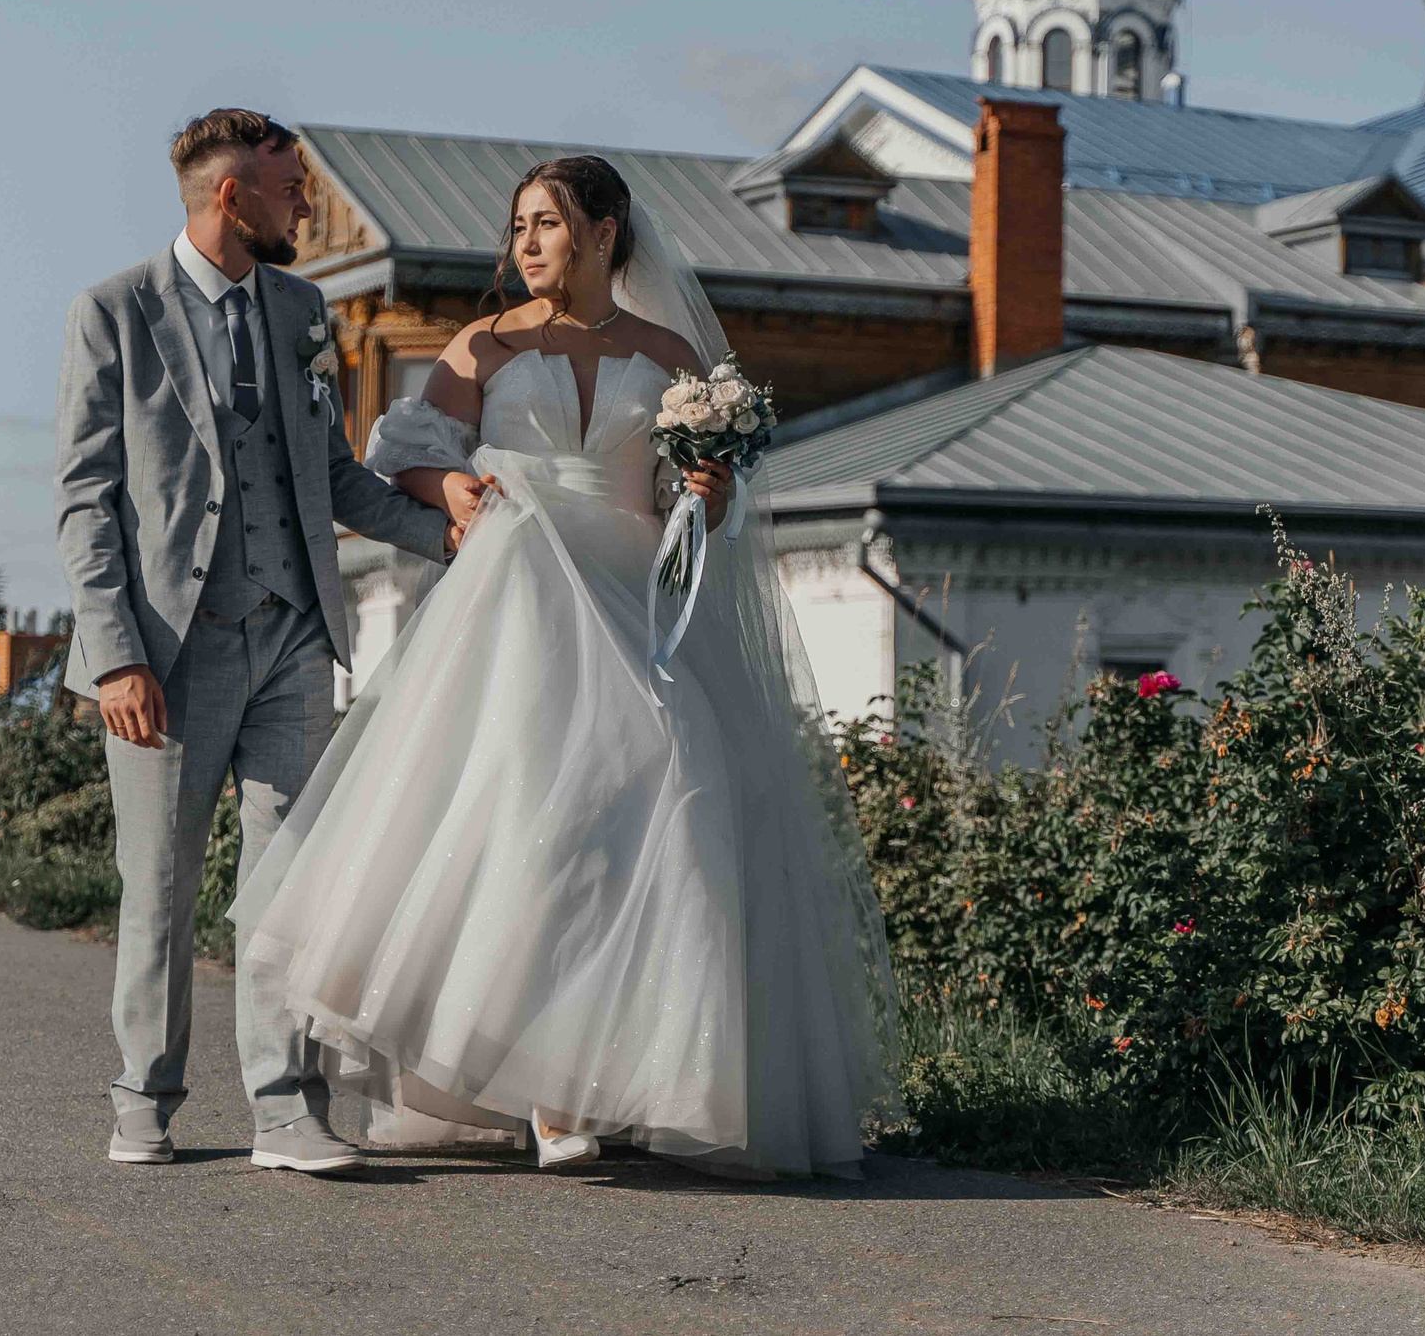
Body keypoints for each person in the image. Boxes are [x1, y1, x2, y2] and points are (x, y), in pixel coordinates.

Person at [232, 154, 897, 1178]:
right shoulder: (486, 344)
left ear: (604, 231)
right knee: (524, 814)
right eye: (519, 226)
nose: (527, 243)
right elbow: (401, 454)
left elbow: (685, 505)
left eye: (546, 222)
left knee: (672, 777)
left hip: (632, 595)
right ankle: (545, 1090)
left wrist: (708, 495)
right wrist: (452, 485)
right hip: (520, 594)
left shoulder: (672, 354)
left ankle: (641, 1074)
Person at [54, 108, 458, 1176]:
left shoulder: (300, 307)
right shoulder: (115, 311)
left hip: (293, 636)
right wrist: (114, 656)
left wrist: (453, 532)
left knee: (288, 885)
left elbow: (335, 476)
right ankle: (144, 1097)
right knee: (162, 886)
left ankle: (287, 1111)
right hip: (166, 651)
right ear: (232, 196)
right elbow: (85, 500)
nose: (306, 209)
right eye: (290, 189)